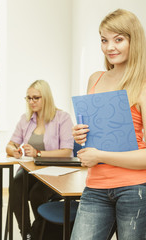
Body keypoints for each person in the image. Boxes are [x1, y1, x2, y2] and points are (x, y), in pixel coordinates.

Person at [71, 9, 146, 240]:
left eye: (119, 39)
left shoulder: (143, 86)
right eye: (104, 40)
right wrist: (80, 135)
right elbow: (91, 138)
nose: (110, 47)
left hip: (134, 189)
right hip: (95, 186)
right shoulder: (96, 79)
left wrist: (100, 154)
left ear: (134, 40)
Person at [6, 80, 74, 239]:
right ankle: (27, 233)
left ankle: (39, 232)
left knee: (37, 194)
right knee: (16, 186)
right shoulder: (26, 119)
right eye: (28, 98)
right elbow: (10, 144)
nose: (31, 102)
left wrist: (38, 153)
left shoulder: (62, 118)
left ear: (46, 97)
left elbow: (67, 152)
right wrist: (14, 151)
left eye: (36, 98)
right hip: (31, 168)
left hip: (56, 170)